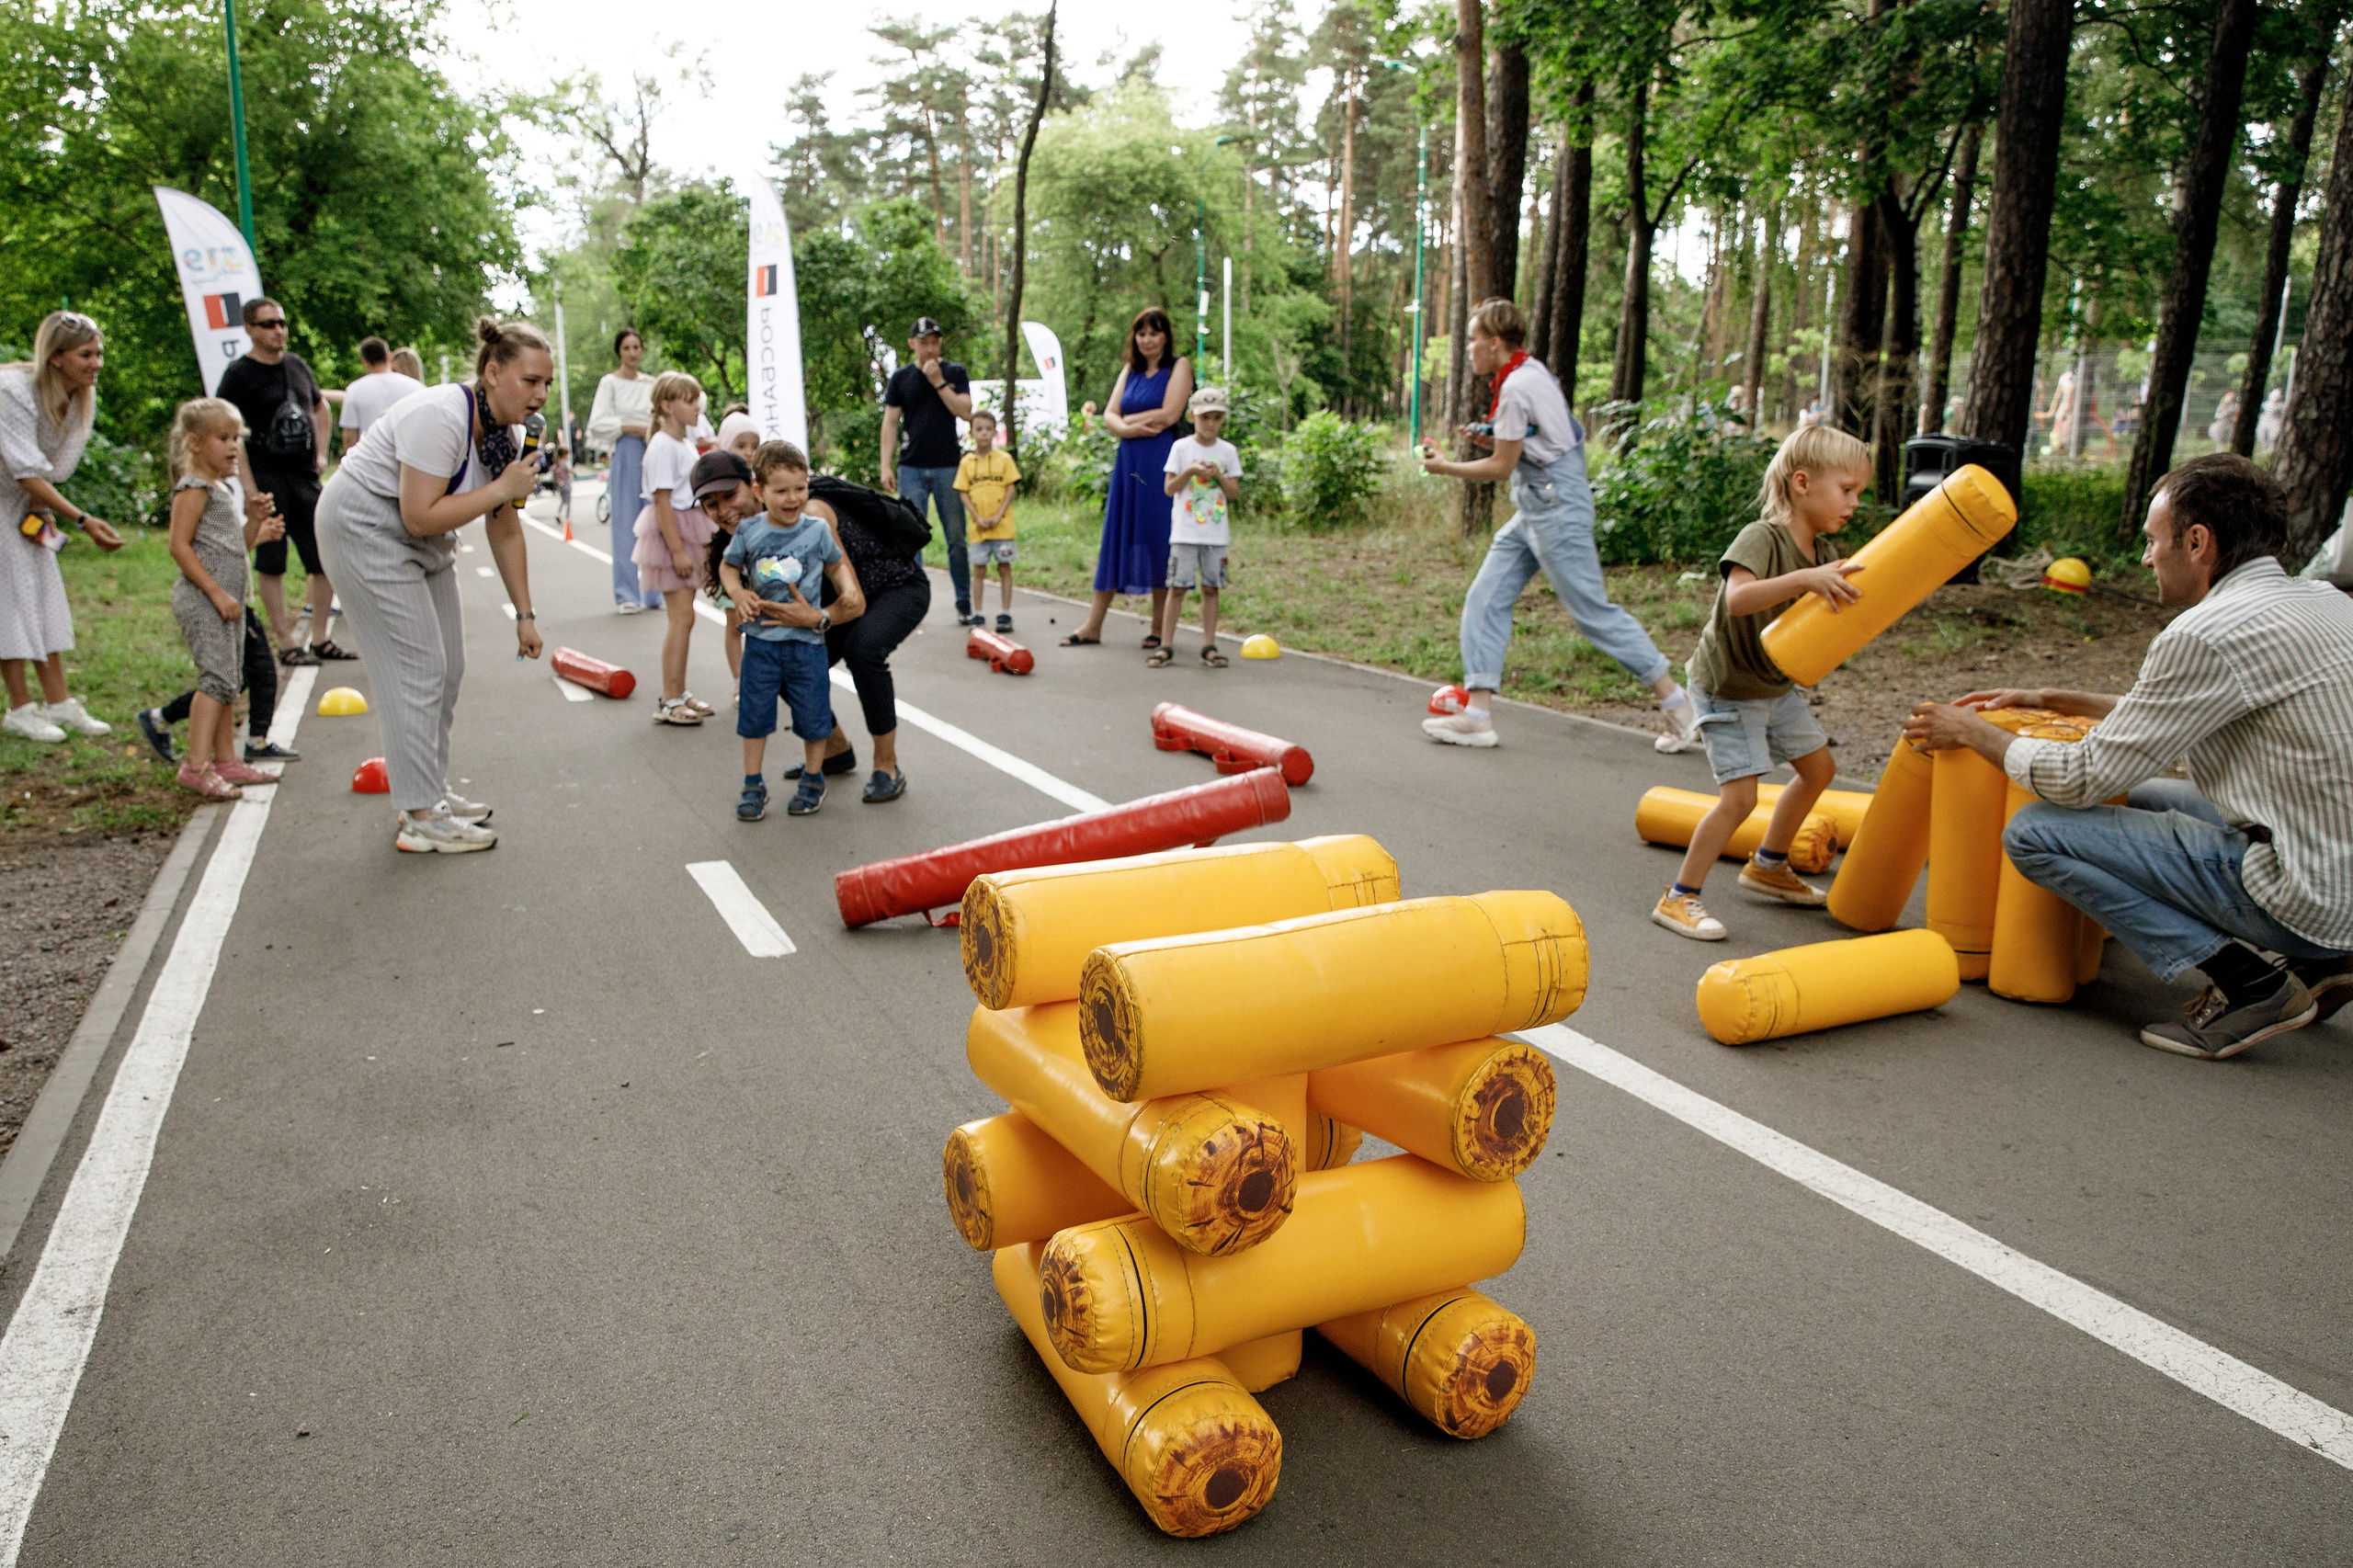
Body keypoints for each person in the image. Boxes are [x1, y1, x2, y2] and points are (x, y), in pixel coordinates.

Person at [1904, 453, 2353, 1060]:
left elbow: (2079, 779)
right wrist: (2054, 700)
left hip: (2300, 889)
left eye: (2151, 540)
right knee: (2137, 800)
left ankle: (2251, 984)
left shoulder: (2205, 634)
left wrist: (1970, 732)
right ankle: (2324, 958)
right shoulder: (2327, 603)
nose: (2145, 559)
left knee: (2037, 831)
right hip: (2336, 871)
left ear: (2197, 542)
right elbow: (2193, 707)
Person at [313, 316, 550, 854]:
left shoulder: (506, 437)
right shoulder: (441, 415)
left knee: (449, 663)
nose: (539, 395)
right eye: (529, 381)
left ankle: (429, 792)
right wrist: (503, 488)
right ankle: (419, 816)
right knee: (418, 668)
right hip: (365, 528)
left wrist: (525, 615)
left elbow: (504, 526)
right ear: (492, 373)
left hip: (420, 537)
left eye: (546, 384)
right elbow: (419, 515)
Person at [1418, 299, 1699, 751]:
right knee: (1485, 599)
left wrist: (1447, 467)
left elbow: (1501, 467)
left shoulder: (1515, 388)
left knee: (1594, 613)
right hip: (1537, 506)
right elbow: (1539, 436)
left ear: (1494, 343)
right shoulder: (1531, 373)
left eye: (1472, 340)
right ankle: (1477, 716)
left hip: (1555, 508)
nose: (1467, 348)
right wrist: (1490, 433)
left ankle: (1679, 707)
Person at [1651, 426, 1870, 940]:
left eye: (1859, 492)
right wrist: (1805, 580)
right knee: (1740, 799)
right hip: (1727, 687)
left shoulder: (1821, 552)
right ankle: (1679, 896)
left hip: (1773, 685)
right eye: (1846, 490)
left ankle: (1768, 864)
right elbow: (1738, 599)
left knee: (1819, 769)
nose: (1854, 503)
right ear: (1801, 483)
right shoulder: (1763, 537)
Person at [721, 440, 863, 821]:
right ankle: (753, 783)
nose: (792, 498)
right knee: (754, 717)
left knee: (815, 716)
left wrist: (847, 588)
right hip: (762, 645)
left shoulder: (816, 530)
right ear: (759, 491)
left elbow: (836, 565)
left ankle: (813, 778)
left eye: (799, 489)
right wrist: (737, 593)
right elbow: (729, 567)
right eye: (781, 491)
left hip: (807, 644)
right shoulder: (749, 531)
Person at [1, 311, 125, 743]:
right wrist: (84, 520)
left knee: (42, 590)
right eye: (86, 354)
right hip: (5, 495)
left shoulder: (79, 400)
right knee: (9, 601)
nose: (97, 363)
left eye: (100, 353)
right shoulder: (11, 391)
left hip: (20, 500)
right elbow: (24, 469)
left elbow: (47, 474)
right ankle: (19, 708)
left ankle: (59, 701)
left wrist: (43, 513)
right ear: (56, 357)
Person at [160, 398, 286, 799]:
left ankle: (227, 760)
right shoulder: (193, 487)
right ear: (195, 443)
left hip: (227, 601)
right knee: (215, 680)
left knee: (229, 681)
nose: (233, 446)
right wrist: (215, 593)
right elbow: (179, 547)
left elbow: (235, 551)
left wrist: (255, 525)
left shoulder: (218, 488)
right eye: (223, 438)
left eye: (237, 438)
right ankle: (196, 766)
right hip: (204, 601)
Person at [215, 296, 347, 666]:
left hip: (304, 475)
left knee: (323, 557)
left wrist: (321, 452)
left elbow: (319, 406)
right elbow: (230, 432)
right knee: (272, 561)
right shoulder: (239, 375)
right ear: (250, 330)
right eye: (269, 324)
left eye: (282, 323)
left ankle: (320, 637)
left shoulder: (296, 365)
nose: (278, 330)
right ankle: (287, 642)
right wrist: (249, 488)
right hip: (267, 477)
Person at [1061, 307, 1193, 647]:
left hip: (1161, 462)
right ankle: (1093, 624)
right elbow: (1109, 415)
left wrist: (1125, 424)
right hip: (1129, 462)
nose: (1147, 339)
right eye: (1142, 333)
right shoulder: (1129, 370)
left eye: (1154, 332)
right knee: (1116, 536)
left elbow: (1170, 414)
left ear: (1165, 336)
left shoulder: (1179, 366)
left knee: (1158, 537)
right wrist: (1129, 428)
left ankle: (1158, 627)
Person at [880, 316, 976, 626]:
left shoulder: (954, 372)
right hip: (912, 467)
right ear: (913, 344)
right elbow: (891, 422)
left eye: (935, 341)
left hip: (948, 466)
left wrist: (938, 381)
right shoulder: (901, 377)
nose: (930, 348)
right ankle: (913, 603)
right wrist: (885, 464)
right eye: (924, 342)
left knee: (956, 539)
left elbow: (965, 411)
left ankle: (964, 603)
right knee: (912, 537)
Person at [635, 369, 715, 726]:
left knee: (687, 616)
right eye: (688, 399)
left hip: (689, 525)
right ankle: (669, 699)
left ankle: (678, 691)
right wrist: (678, 551)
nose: (697, 405)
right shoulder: (662, 446)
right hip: (674, 533)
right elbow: (662, 502)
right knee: (681, 618)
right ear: (667, 406)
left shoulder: (682, 443)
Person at [1154, 385, 1243, 668]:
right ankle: (1166, 644)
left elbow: (1233, 493)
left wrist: (1218, 476)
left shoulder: (1228, 451)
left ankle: (1209, 644)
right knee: (1177, 587)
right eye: (1205, 417)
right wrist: (1190, 471)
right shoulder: (1181, 448)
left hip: (1215, 534)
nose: (1211, 424)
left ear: (1222, 420)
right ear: (1193, 417)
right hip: (1185, 531)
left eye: (1217, 418)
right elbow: (1169, 488)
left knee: (1211, 587)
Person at [586, 327, 661, 614]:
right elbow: (598, 423)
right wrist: (632, 428)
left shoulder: (651, 384)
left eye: (637, 347)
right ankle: (627, 593)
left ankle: (655, 592)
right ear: (619, 351)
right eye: (627, 347)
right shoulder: (610, 383)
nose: (632, 353)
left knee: (655, 520)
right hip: (627, 449)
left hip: (652, 448)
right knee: (626, 522)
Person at [956, 409, 1020, 634]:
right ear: (972, 433)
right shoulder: (967, 462)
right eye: (979, 429)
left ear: (994, 432)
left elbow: (1010, 488)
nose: (984, 434)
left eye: (988, 429)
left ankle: (1005, 613)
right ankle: (979, 613)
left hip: (1002, 528)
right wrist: (977, 517)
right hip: (979, 529)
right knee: (979, 570)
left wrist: (998, 515)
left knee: (1004, 568)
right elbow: (963, 492)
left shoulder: (1004, 459)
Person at [336, 336, 426, 453]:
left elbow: (349, 437)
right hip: (407, 458)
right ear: (388, 356)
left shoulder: (354, 390)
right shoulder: (416, 388)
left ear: (364, 361)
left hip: (370, 460)